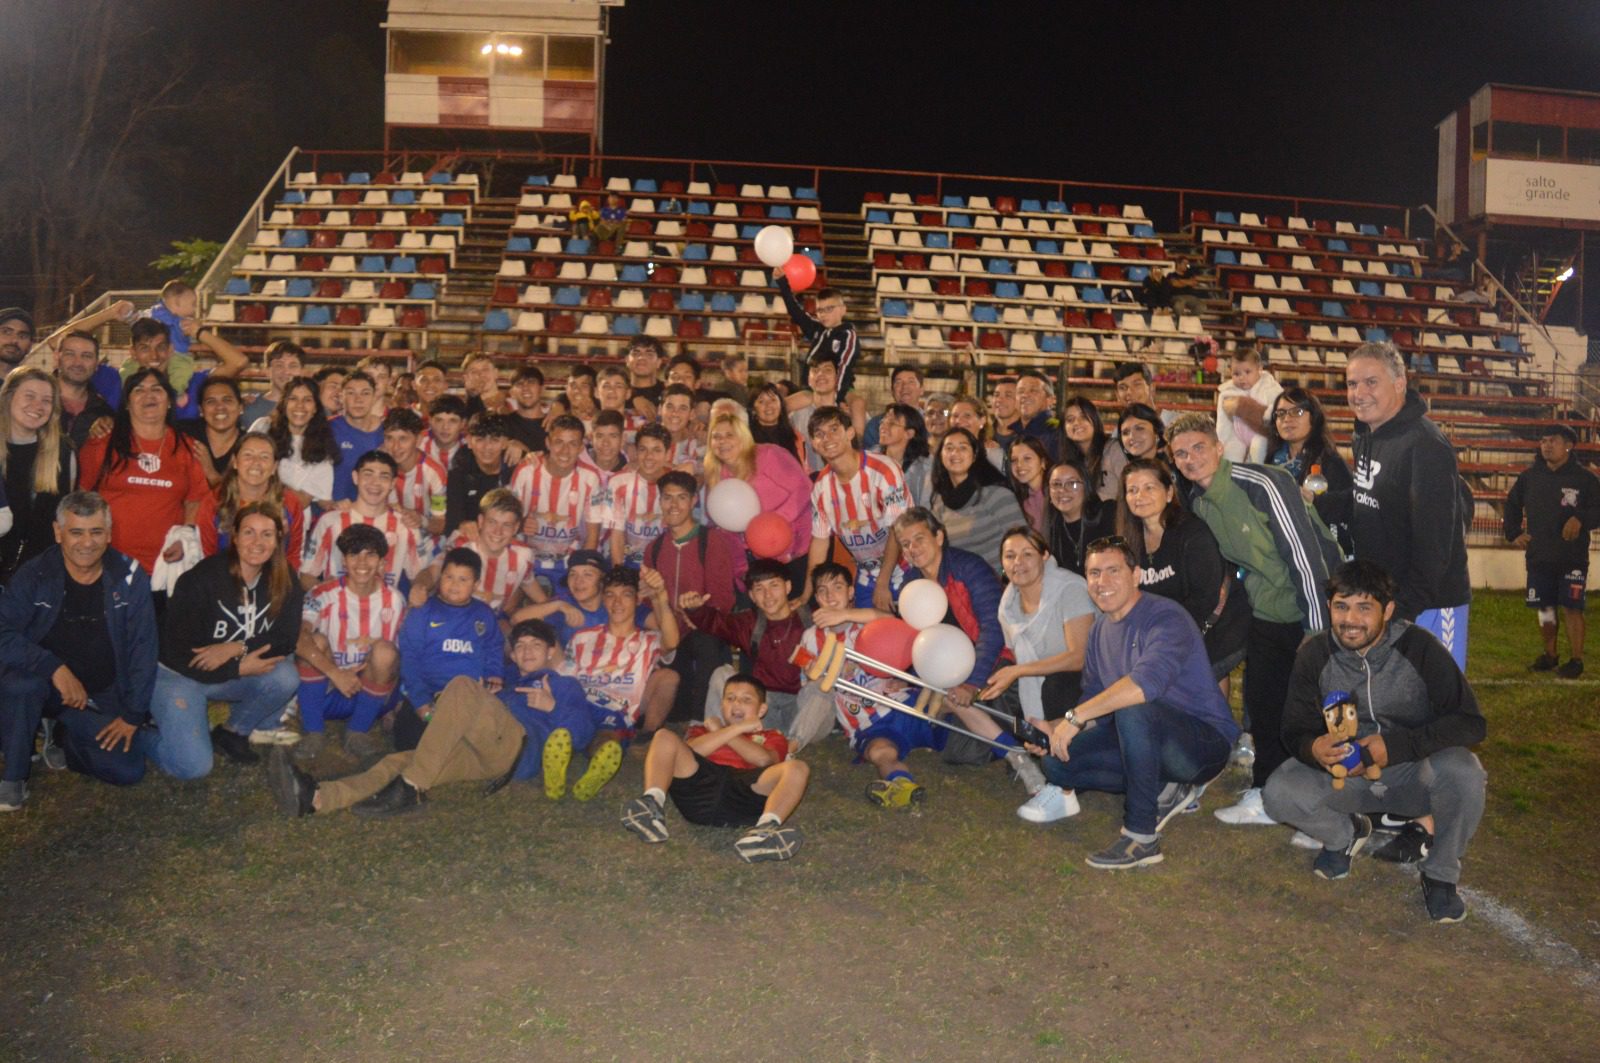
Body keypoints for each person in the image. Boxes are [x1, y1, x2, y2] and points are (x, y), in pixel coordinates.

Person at [1263, 560, 1487, 923]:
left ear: (1389, 611)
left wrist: (1395, 746)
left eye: (1364, 608)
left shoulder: (1419, 647)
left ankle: (1441, 875)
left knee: (1465, 773)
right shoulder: (1315, 653)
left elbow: (1470, 723)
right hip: (1347, 777)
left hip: (1413, 776)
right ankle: (1344, 834)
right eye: (1341, 606)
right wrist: (1312, 748)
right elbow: (1294, 728)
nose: (1350, 619)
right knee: (1278, 793)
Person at [1024, 536, 1239, 869]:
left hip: (1201, 744)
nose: (1102, 582)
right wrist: (1054, 728)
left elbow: (1143, 687)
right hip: (1141, 733)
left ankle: (1142, 838)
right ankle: (1165, 785)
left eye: (1113, 571)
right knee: (1057, 763)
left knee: (1133, 708)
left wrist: (1076, 717)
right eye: (1094, 573)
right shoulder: (1099, 632)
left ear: (1135, 574)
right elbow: (1094, 700)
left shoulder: (1166, 617)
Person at [1168, 413, 1340, 827]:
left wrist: (1316, 630)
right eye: (1180, 453)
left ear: (1219, 447)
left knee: (1318, 709)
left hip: (1315, 603)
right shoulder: (1195, 501)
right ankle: (1266, 793)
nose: (1191, 458)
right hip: (1266, 608)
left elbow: (1305, 554)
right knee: (1264, 706)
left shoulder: (1263, 482)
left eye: (1198, 447)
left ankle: (1327, 806)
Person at [268, 611, 539, 821]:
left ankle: (412, 787)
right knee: (396, 762)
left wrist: (552, 706)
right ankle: (317, 798)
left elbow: (578, 726)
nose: (526, 651)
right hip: (476, 754)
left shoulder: (559, 683)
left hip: (512, 744)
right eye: (521, 646)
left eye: (535, 645)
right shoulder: (504, 676)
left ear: (552, 652)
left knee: (462, 685)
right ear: (511, 654)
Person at [0, 492, 158, 810]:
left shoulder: (129, 576)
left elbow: (144, 647)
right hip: (43, 684)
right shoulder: (35, 574)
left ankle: (64, 734)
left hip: (99, 692)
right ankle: (14, 777)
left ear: (109, 534)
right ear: (58, 533)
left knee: (128, 771)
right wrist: (52, 667)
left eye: (96, 531)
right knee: (20, 686)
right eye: (76, 532)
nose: (86, 543)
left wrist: (132, 714)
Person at [151, 501, 304, 774]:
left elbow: (286, 638)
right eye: (249, 532)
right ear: (234, 536)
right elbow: (175, 653)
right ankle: (145, 731)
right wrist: (237, 667)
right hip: (177, 674)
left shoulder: (284, 576)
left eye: (267, 534)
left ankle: (233, 732)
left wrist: (236, 648)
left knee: (285, 675)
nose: (257, 542)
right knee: (193, 768)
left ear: (278, 539)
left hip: (219, 669)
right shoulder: (202, 579)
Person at [1346, 341, 1472, 668]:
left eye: (1371, 382)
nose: (1359, 392)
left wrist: (1404, 608)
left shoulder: (1425, 445)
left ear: (1399, 384)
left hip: (1429, 606)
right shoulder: (1363, 435)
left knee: (1440, 706)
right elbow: (1367, 501)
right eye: (1352, 383)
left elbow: (1435, 543)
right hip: (1385, 603)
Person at [620, 672, 809, 862]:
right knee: (664, 736)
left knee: (797, 768)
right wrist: (732, 730)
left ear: (761, 710)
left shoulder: (772, 736)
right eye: (730, 698)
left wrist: (726, 731)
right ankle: (651, 806)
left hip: (746, 793)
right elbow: (691, 751)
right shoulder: (701, 731)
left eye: (746, 699)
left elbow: (763, 760)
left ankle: (764, 832)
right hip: (699, 787)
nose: (736, 704)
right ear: (722, 705)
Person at [980, 526, 1098, 823]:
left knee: (1054, 686)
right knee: (990, 685)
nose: (1018, 562)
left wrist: (1018, 671)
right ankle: (1038, 745)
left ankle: (1068, 773)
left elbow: (1079, 656)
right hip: (1041, 682)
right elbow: (1017, 654)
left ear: (1045, 556)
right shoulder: (1008, 602)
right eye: (1010, 556)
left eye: (1027, 554)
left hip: (1088, 679)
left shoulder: (1069, 588)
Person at [1117, 458, 1249, 685]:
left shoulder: (1192, 533)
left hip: (1215, 632)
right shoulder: (1129, 541)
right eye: (1132, 490)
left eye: (1149, 488)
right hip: (1161, 638)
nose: (1140, 496)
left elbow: (1204, 599)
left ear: (1169, 493)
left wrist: (1161, 640)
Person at [78, 368, 211, 578]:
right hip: (107, 565)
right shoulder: (103, 442)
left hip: (164, 568)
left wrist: (184, 538)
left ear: (169, 401)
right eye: (139, 390)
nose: (148, 395)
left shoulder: (189, 447)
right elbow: (81, 496)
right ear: (127, 404)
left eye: (157, 389)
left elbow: (195, 502)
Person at [294, 523, 406, 761]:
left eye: (370, 555)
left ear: (382, 562)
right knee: (314, 641)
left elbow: (401, 657)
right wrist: (336, 674)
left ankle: (357, 732)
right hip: (330, 690)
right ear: (343, 561)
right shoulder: (321, 594)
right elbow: (298, 639)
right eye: (354, 554)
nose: (362, 563)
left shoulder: (395, 600)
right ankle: (314, 731)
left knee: (386, 652)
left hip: (372, 693)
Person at [566, 565, 680, 790]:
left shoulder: (648, 640)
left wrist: (660, 598)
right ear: (603, 599)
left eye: (626, 595)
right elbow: (566, 676)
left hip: (618, 710)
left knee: (669, 677)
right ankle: (572, 746)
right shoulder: (582, 638)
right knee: (573, 726)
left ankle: (645, 737)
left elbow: (672, 641)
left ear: (637, 600)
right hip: (582, 704)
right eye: (610, 595)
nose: (617, 603)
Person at [1503, 424, 1600, 678]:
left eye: (1553, 440)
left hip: (1572, 558)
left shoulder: (1586, 479)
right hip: (1539, 556)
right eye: (1543, 440)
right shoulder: (1529, 477)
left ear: (1568, 445)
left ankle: (1576, 660)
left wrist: (1581, 520)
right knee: (1544, 608)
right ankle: (1550, 656)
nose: (1546, 445)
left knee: (1572, 607)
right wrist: (1514, 533)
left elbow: (1598, 510)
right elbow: (1511, 505)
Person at [392, 547, 505, 752]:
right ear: (440, 577)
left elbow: (493, 646)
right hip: (429, 692)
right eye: (449, 576)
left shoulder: (483, 613)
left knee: (488, 740)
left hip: (470, 695)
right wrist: (421, 703)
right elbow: (410, 658)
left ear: (476, 584)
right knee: (410, 743)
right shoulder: (422, 612)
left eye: (463, 580)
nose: (454, 585)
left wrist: (494, 673)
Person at [679, 559, 810, 733]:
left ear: (787, 587)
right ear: (752, 597)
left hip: (799, 708)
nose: (768, 595)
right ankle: (715, 736)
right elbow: (717, 623)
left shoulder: (809, 620)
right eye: (759, 589)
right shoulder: (750, 623)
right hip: (763, 708)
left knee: (820, 690)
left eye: (774, 586)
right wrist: (695, 609)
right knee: (721, 674)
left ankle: (793, 742)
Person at [804, 406, 908, 609]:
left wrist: (883, 582)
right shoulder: (820, 488)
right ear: (814, 444)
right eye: (819, 434)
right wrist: (806, 594)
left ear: (850, 433)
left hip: (907, 566)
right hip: (867, 574)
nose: (827, 438)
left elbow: (899, 529)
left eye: (834, 429)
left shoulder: (884, 469)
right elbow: (820, 542)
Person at [703, 409, 813, 588]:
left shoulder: (769, 455)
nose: (722, 441)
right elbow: (725, 527)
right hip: (758, 561)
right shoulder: (716, 477)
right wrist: (741, 570)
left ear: (742, 436)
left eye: (729, 435)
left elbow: (804, 488)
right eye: (716, 437)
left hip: (797, 551)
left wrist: (771, 523)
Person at [304, 450, 426, 592]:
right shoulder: (330, 521)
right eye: (368, 474)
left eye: (384, 477)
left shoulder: (406, 525)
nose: (375, 483)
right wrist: (325, 591)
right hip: (338, 611)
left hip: (384, 612)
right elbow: (307, 576)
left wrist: (419, 588)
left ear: (393, 483)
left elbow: (420, 575)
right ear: (355, 477)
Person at [0, 368, 76, 583]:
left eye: (46, 400)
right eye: (29, 396)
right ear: (8, 397)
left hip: (40, 577)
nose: (38, 406)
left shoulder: (63, 453)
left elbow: (66, 519)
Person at [414, 488, 537, 618]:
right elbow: (433, 572)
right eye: (492, 522)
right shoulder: (461, 544)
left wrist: (555, 605)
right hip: (452, 617)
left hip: (492, 624)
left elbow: (528, 582)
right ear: (481, 521)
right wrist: (419, 587)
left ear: (516, 527)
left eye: (506, 525)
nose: (498, 531)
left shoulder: (524, 555)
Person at [508, 413, 600, 586]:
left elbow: (592, 535)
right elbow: (507, 520)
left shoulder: (590, 478)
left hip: (568, 562)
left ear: (581, 448)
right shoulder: (526, 471)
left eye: (572, 444)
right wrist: (520, 524)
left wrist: (583, 574)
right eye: (559, 442)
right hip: (526, 558)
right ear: (548, 443)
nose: (565, 451)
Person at [1264, 387, 1354, 557]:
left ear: (1314, 418)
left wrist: (1314, 502)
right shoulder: (1271, 463)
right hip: (1282, 554)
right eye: (1281, 413)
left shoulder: (1330, 461)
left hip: (1323, 556)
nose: (1287, 419)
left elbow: (1352, 505)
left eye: (1296, 412)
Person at [194, 432, 305, 568]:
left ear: (274, 467)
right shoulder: (214, 503)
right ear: (235, 462)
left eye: (264, 457)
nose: (256, 463)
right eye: (248, 455)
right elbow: (207, 558)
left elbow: (292, 557)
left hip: (273, 581)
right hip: (222, 580)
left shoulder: (290, 503)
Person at [927, 427, 1025, 575]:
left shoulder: (997, 496)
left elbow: (1023, 544)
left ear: (974, 455)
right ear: (940, 455)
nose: (955, 453)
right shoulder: (939, 502)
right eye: (949, 448)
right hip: (959, 585)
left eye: (963, 448)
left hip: (998, 582)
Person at [120, 315, 247, 421]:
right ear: (133, 353)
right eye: (145, 349)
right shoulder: (123, 385)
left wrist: (199, 332)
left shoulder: (191, 383)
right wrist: (109, 314)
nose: (154, 356)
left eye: (161, 347)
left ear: (170, 349)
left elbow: (238, 362)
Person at [774, 272, 860, 399]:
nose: (823, 314)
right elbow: (795, 312)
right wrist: (782, 281)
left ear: (843, 310)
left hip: (840, 390)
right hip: (811, 390)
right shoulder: (817, 329)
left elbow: (844, 367)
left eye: (829, 309)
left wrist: (837, 399)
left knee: (858, 405)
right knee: (783, 406)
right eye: (820, 310)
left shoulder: (848, 335)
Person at [260, 376, 337, 509]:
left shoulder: (322, 449)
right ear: (284, 404)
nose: (299, 406)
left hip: (293, 523)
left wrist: (265, 479)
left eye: (307, 400)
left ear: (315, 408)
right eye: (293, 399)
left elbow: (300, 502)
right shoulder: (263, 427)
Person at [604, 424, 670, 567]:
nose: (649, 457)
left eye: (656, 450)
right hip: (626, 561)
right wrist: (619, 573)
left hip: (664, 564)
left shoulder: (676, 484)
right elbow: (616, 535)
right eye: (643, 449)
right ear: (636, 451)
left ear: (668, 454)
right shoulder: (618, 483)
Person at [380, 407, 448, 546]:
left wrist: (420, 520)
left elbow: (440, 524)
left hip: (426, 541)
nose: (395, 447)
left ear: (418, 440)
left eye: (403, 439)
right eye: (389, 438)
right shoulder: (378, 465)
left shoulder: (434, 472)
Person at [1045, 457, 1115, 577]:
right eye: (1056, 484)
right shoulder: (1053, 529)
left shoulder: (1108, 513)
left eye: (1072, 483)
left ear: (1086, 487)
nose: (1062, 490)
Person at [1215, 346, 1284, 463]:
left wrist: (1269, 412)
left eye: (1247, 372)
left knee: (1258, 448)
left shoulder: (1269, 385)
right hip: (1237, 436)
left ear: (1259, 369)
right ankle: (1232, 474)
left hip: (1261, 434)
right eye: (1236, 374)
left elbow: (1280, 403)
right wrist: (1221, 440)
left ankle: (1258, 471)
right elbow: (1223, 423)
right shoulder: (1227, 392)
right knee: (1230, 454)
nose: (1242, 378)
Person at [328, 371, 386, 503]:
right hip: (333, 513)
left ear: (374, 396)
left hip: (373, 513)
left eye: (365, 393)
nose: (358, 399)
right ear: (341, 397)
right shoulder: (327, 429)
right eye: (351, 393)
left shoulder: (387, 432)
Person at [54, 331, 117, 449]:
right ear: (57, 357)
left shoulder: (103, 413)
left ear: (97, 363)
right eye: (70, 354)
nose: (78, 362)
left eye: (87, 356)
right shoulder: (38, 401)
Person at [182, 375, 246, 487]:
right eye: (211, 402)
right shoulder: (183, 435)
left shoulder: (247, 446)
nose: (220, 407)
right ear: (201, 410)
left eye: (227, 400)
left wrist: (210, 473)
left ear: (240, 407)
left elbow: (238, 498)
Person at [1061, 395, 1123, 501]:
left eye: (1084, 417)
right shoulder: (1069, 462)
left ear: (1095, 420)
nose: (1076, 423)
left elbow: (1129, 486)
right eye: (1070, 420)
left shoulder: (1113, 449)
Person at [876, 402, 932, 506]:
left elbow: (925, 507)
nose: (883, 426)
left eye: (892, 423)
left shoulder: (925, 467)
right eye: (883, 421)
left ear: (909, 433)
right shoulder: (872, 459)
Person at [241, 341, 305, 426]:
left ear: (302, 371)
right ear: (267, 370)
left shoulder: (311, 408)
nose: (286, 371)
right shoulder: (249, 408)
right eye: (279, 365)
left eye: (293, 366)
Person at [863, 366, 924, 451]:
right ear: (892, 391)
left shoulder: (930, 424)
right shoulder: (875, 425)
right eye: (898, 382)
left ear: (922, 390)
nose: (904, 386)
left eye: (911, 382)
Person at [748, 382, 803, 463]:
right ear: (753, 409)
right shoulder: (747, 438)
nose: (768, 405)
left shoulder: (794, 435)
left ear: (781, 404)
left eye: (773, 400)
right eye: (761, 401)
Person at [1007, 437, 1052, 534]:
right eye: (1014, 460)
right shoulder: (1020, 500)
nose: (1019, 465)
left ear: (1043, 462)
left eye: (1027, 458)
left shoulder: (1055, 494)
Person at [948, 395, 1006, 471]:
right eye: (955, 416)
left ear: (982, 420)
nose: (958, 421)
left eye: (967, 416)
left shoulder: (993, 455)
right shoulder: (944, 453)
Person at [1013, 371, 1060, 461]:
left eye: (1033, 390)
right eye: (1020, 391)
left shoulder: (1057, 433)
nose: (1025, 395)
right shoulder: (1013, 432)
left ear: (1050, 400)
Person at [503, 365, 548, 460]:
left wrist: (526, 452)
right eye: (519, 384)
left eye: (531, 382)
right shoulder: (503, 424)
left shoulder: (554, 424)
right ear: (512, 392)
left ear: (542, 389)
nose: (525, 388)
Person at [1112, 362, 1174, 427]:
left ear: (1151, 388)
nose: (1129, 392)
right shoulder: (1122, 428)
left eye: (1137, 385)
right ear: (1117, 395)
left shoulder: (1173, 421)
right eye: (1123, 387)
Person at [421, 393, 468, 471]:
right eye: (439, 420)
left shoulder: (472, 447)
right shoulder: (418, 444)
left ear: (462, 424)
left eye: (453, 421)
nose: (445, 427)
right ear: (430, 421)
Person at [460, 352, 508, 420]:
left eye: (485, 370)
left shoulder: (512, 401)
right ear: (465, 378)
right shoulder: (460, 407)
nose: (481, 375)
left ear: (496, 373)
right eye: (474, 371)